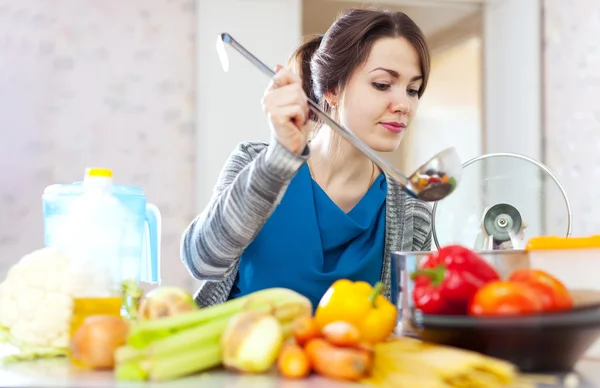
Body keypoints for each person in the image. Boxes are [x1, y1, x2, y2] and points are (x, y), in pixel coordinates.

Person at [181, 8, 433, 309]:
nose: (404, 104)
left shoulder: (412, 210)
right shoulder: (254, 162)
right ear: (331, 90)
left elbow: (410, 327)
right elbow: (202, 261)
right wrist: (279, 157)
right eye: (381, 85)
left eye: (413, 90)